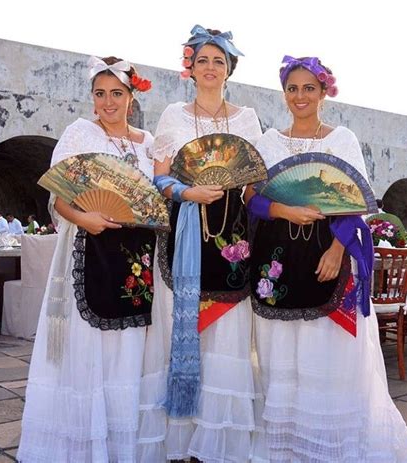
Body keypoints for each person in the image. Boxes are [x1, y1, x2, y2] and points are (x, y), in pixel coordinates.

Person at [245, 56, 407, 461]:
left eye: (309, 88)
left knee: (328, 356)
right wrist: (285, 210)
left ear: (324, 92)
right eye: (293, 88)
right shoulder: (269, 141)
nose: (300, 96)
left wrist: (336, 249)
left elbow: (356, 204)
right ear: (284, 93)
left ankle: (331, 448)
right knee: (281, 354)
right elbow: (251, 199)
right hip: (277, 259)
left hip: (328, 253)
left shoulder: (341, 139)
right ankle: (286, 448)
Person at [17, 55, 155, 462]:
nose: (108, 102)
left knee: (128, 350)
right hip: (87, 248)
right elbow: (59, 199)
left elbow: (157, 198)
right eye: (100, 94)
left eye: (116, 93)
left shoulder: (148, 144)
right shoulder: (80, 133)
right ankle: (80, 447)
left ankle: (119, 447)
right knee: (88, 347)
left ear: (131, 96)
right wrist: (86, 218)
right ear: (92, 98)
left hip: (137, 259)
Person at [137, 25, 263, 462]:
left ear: (230, 69)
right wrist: (188, 192)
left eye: (219, 61)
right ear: (190, 67)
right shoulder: (173, 114)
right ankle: (180, 440)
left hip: (232, 230)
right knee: (180, 324)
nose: (211, 68)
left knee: (227, 332)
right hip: (185, 229)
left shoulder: (247, 118)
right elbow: (160, 176)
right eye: (203, 60)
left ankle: (220, 441)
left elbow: (253, 180)